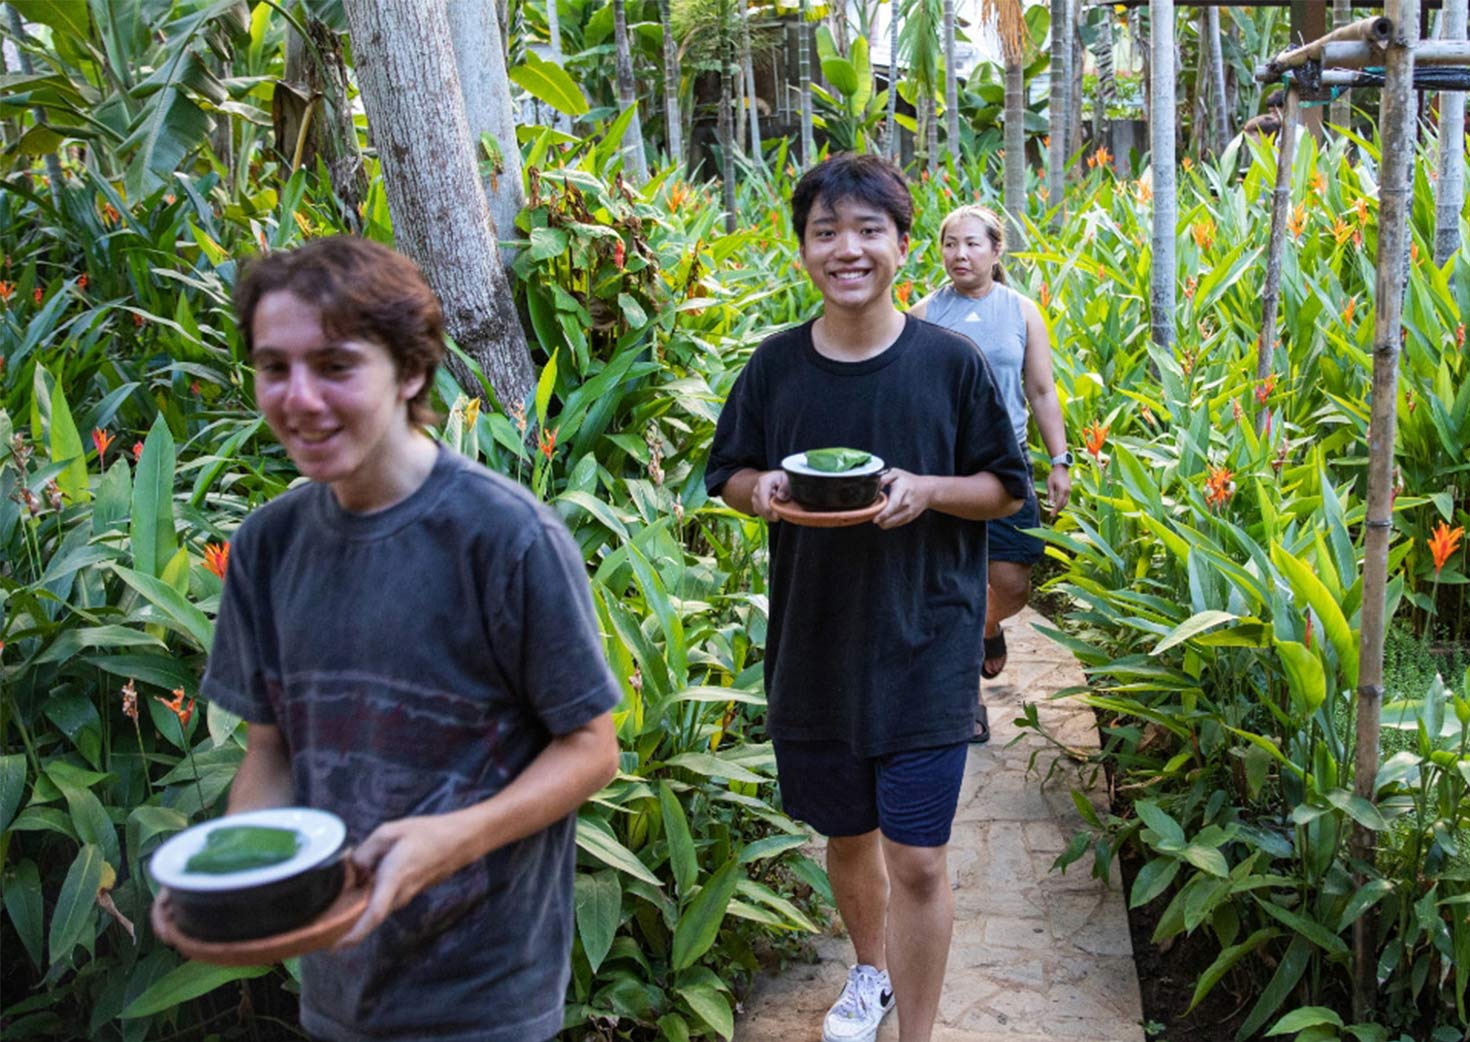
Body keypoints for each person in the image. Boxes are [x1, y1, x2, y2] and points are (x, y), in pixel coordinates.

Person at [199, 236, 621, 1042]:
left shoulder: (507, 538)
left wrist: (449, 842)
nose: (299, 397)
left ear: (413, 372)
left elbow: (591, 749)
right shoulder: (267, 545)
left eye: (335, 366)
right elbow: (270, 751)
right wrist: (242, 878)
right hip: (336, 979)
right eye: (272, 367)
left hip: (484, 991)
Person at [706, 155, 1030, 1042]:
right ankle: (869, 973)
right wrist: (760, 489)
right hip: (814, 643)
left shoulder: (950, 365)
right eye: (826, 232)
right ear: (804, 248)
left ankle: (916, 1034)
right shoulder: (775, 367)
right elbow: (725, 472)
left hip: (927, 637)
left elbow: (1006, 488)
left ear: (901, 245)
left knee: (919, 857)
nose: (847, 249)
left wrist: (927, 490)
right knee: (846, 837)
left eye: (867, 231)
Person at [910, 205, 1072, 743]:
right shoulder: (923, 313)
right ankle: (965, 701)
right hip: (942, 473)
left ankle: (986, 627)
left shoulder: (1021, 311)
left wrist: (1059, 460)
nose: (960, 254)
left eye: (972, 244)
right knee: (947, 584)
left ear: (996, 250)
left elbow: (1042, 391)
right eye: (950, 244)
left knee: (1011, 582)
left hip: (1006, 465)